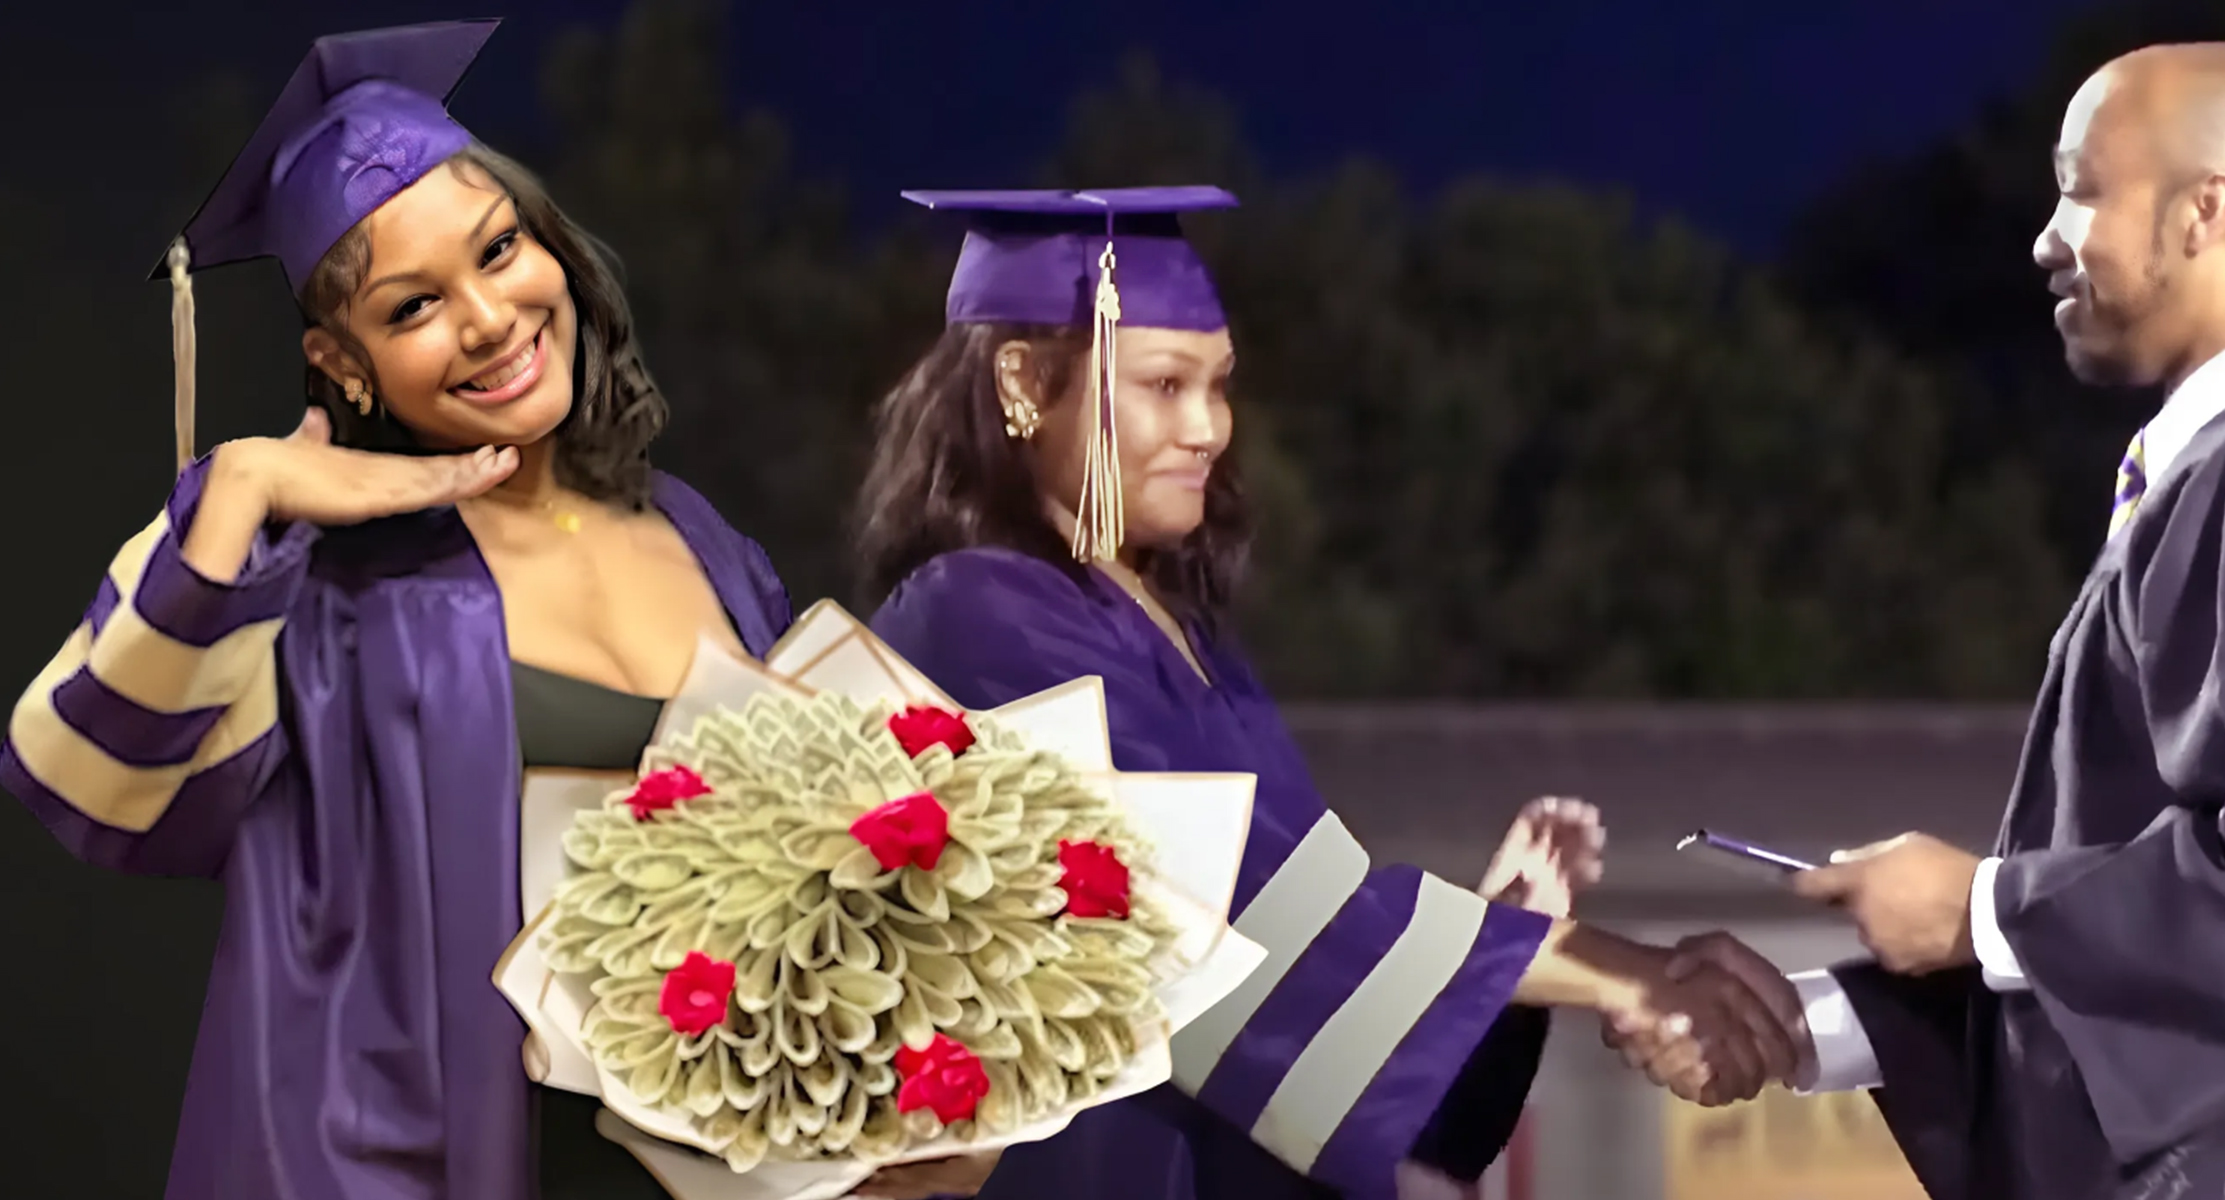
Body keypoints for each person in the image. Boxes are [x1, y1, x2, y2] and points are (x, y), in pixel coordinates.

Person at [852, 186, 1808, 1200]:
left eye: (1221, 385)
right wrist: (1613, 970)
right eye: (1165, 384)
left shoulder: (1184, 638)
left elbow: (1321, 989)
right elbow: (1216, 907)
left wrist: (1503, 952)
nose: (1210, 427)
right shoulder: (973, 620)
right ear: (1023, 384)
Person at [0, 21, 790, 1200]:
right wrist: (247, 489)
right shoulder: (325, 598)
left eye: (501, 248)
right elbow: (95, 775)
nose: (488, 317)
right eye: (413, 306)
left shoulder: (697, 533)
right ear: (345, 361)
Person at [1668, 42, 2225, 1200]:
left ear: (2206, 209)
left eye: (2084, 189)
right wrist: (1808, 1026)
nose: (2046, 238)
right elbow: (2172, 958)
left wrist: (1981, 906)